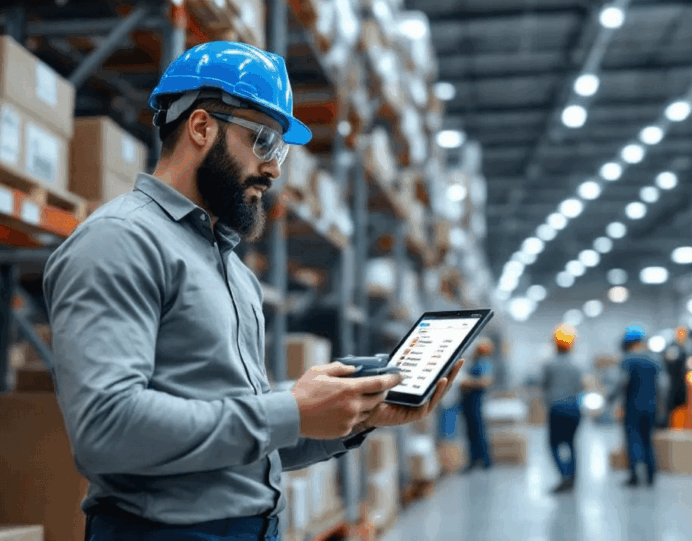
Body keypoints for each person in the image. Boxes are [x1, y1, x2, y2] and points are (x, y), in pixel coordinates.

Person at [43, 41, 464, 541]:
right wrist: (291, 409)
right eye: (264, 142)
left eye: (281, 150)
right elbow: (106, 430)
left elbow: (244, 439)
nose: (275, 169)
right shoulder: (120, 240)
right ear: (201, 128)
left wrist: (355, 413)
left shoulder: (232, 270)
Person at [608, 325, 663, 487]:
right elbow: (662, 386)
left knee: (633, 440)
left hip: (633, 407)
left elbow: (621, 382)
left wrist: (610, 398)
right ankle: (651, 475)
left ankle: (635, 476)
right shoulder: (654, 360)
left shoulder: (627, 360)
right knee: (648, 441)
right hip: (651, 407)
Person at [540, 324, 584, 493]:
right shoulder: (577, 364)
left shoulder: (549, 364)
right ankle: (572, 477)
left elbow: (544, 384)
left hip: (557, 408)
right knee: (571, 444)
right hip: (574, 408)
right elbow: (581, 386)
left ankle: (564, 476)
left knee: (553, 444)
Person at [460, 337, 495, 471]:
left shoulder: (484, 362)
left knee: (479, 430)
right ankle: (473, 459)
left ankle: (486, 460)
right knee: (470, 431)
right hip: (467, 400)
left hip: (476, 400)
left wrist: (468, 382)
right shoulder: (472, 362)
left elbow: (486, 381)